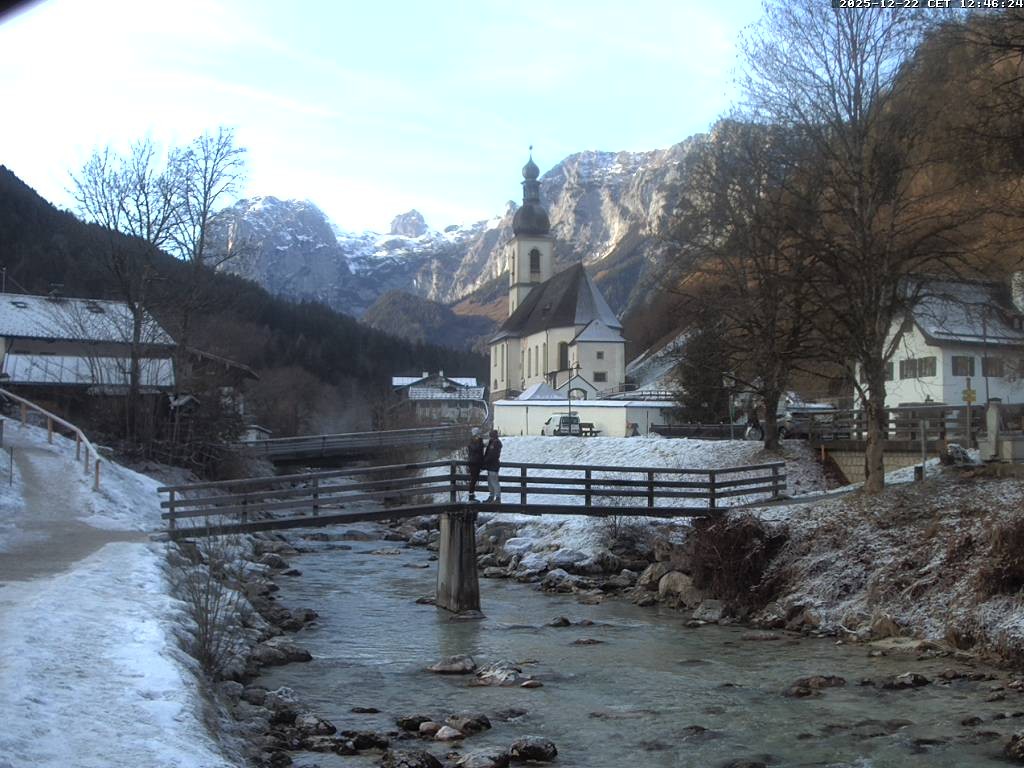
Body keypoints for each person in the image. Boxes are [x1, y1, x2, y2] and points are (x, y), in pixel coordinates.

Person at [482, 428, 502, 503]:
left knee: (494, 482)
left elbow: (491, 454)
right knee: (490, 482)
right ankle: (491, 496)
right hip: (491, 465)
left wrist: (485, 461)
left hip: (493, 464)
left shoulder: (495, 443)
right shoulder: (493, 442)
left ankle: (497, 498)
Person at [466, 427, 484, 501]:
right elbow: (476, 449)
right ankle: (471, 496)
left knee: (474, 479)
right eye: (478, 434)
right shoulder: (472, 442)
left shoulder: (477, 441)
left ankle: (472, 495)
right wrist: (480, 442)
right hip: (473, 463)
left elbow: (480, 451)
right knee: (473, 479)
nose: (479, 436)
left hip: (477, 462)